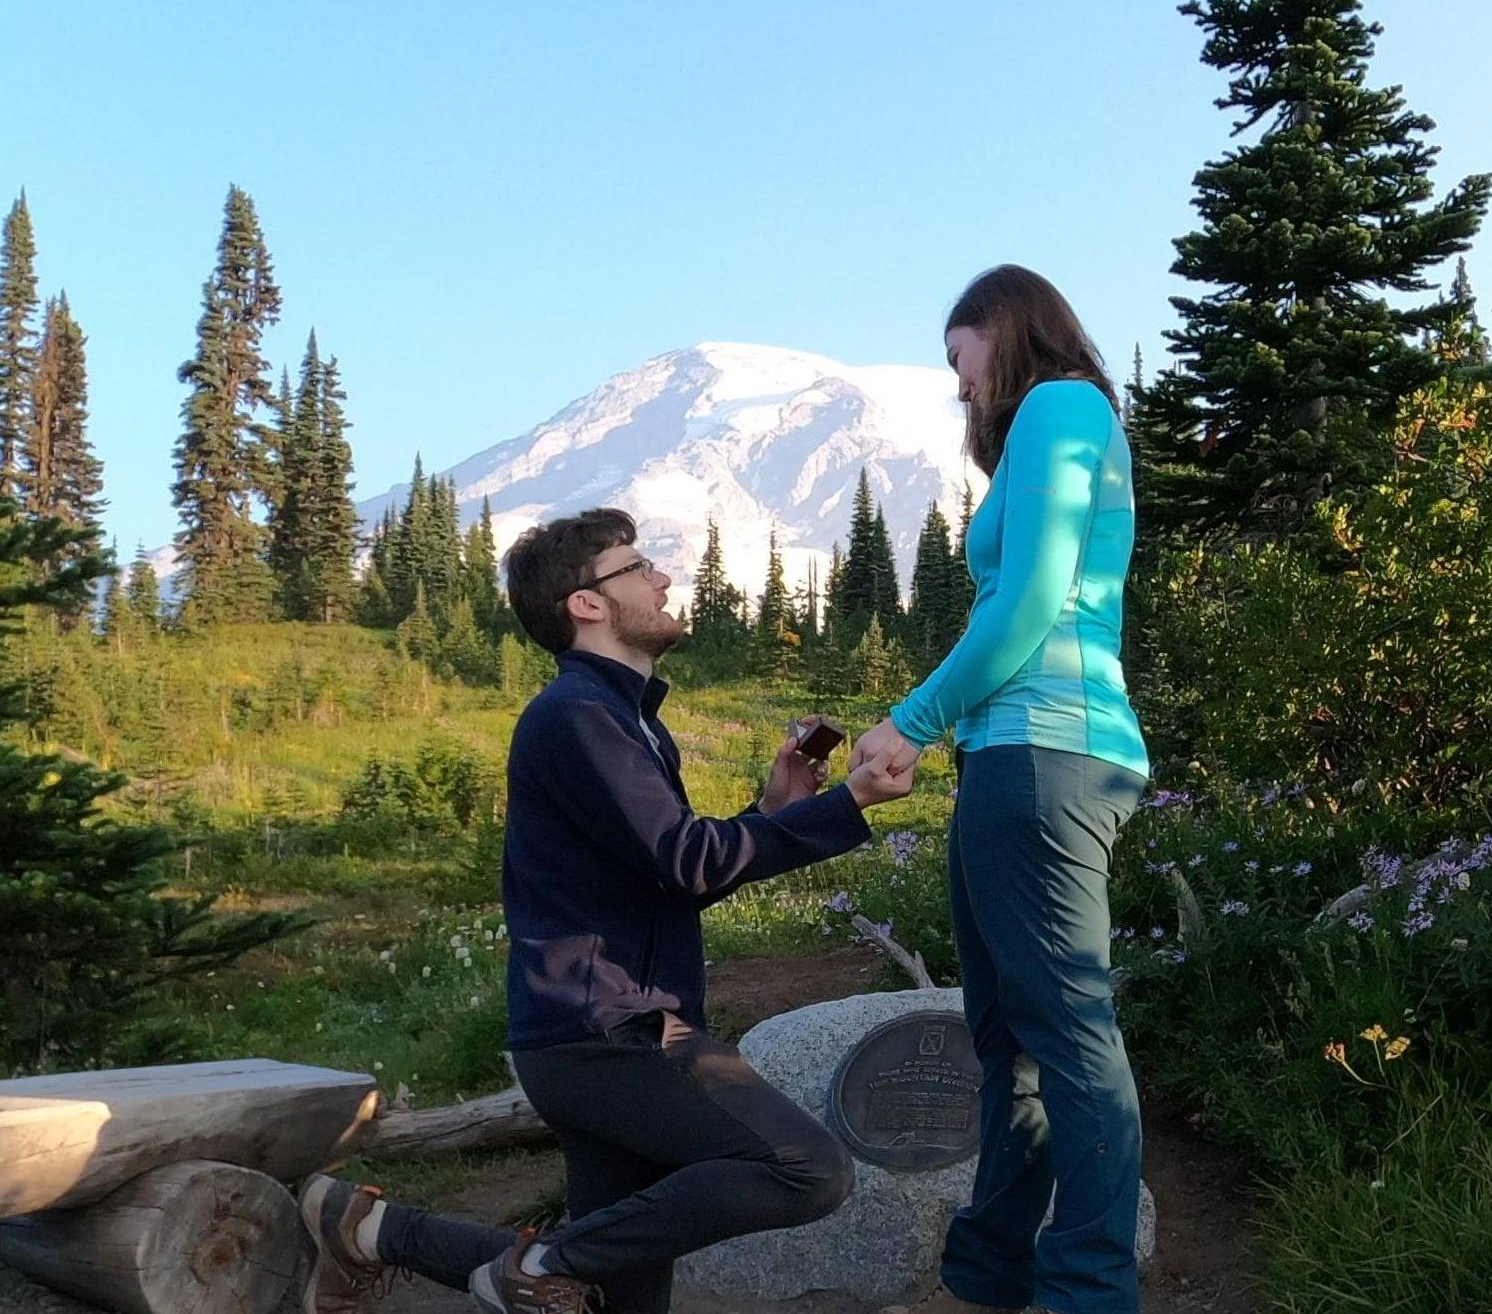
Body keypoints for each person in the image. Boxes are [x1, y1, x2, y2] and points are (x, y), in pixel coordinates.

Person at [299, 508, 912, 1314]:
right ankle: (502, 1257)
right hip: (611, 1033)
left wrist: (770, 811)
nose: (661, 578)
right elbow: (688, 863)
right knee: (805, 1167)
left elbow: (667, 871)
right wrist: (846, 800)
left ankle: (373, 1230)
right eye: (638, 565)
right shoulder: (579, 716)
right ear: (587, 603)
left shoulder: (625, 717)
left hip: (604, 1029)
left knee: (622, 1302)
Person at [851, 265, 1150, 1314]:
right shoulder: (1049, 426)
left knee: (1064, 1029)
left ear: (1003, 327)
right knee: (1008, 1039)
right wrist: (942, 724)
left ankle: (1088, 1291)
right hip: (1013, 753)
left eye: (957, 356)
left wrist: (910, 720)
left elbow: (1027, 603)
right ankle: (988, 1278)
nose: (957, 384)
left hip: (1047, 749)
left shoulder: (1062, 405)